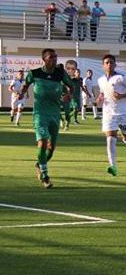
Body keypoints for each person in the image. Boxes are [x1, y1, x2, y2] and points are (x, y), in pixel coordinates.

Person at [18, 49, 74, 188]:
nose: (54, 59)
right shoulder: (35, 73)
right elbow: (26, 84)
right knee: (42, 142)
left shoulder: (60, 73)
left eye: (56, 57)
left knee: (51, 148)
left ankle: (39, 164)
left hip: (55, 113)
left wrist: (69, 95)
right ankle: (44, 176)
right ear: (44, 59)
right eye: (51, 57)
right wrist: (22, 93)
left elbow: (70, 86)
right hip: (40, 113)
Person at [96, 54, 126, 177]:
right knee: (110, 139)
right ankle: (113, 166)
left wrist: (122, 96)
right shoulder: (100, 80)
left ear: (115, 64)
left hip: (123, 112)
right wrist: (100, 98)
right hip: (108, 114)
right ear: (103, 65)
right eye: (107, 62)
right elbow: (102, 93)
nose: (109, 64)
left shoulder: (121, 78)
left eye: (111, 62)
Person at [64, 60, 83, 125]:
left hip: (78, 96)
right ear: (75, 73)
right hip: (73, 96)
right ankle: (69, 117)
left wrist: (85, 92)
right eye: (77, 72)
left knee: (78, 109)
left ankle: (74, 119)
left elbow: (81, 86)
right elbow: (67, 86)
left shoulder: (80, 79)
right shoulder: (72, 80)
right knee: (75, 108)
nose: (78, 73)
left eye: (79, 72)